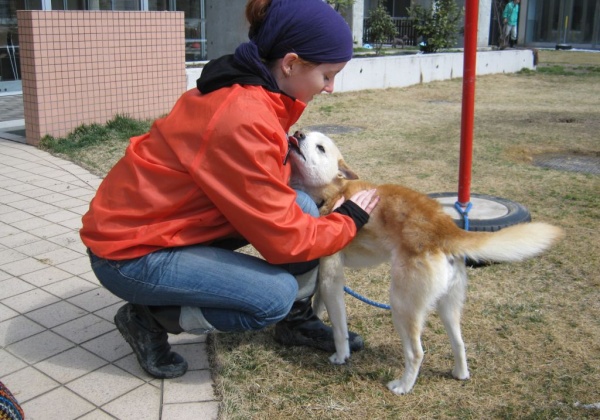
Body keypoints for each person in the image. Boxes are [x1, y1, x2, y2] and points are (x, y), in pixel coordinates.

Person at [80, 0, 380, 380]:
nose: (332, 87)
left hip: (164, 226)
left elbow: (269, 194)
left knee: (302, 204)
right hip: (129, 254)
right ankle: (149, 317)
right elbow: (286, 240)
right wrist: (347, 220)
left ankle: (295, 323)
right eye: (328, 75)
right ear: (290, 64)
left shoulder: (253, 90)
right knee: (272, 297)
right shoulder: (243, 116)